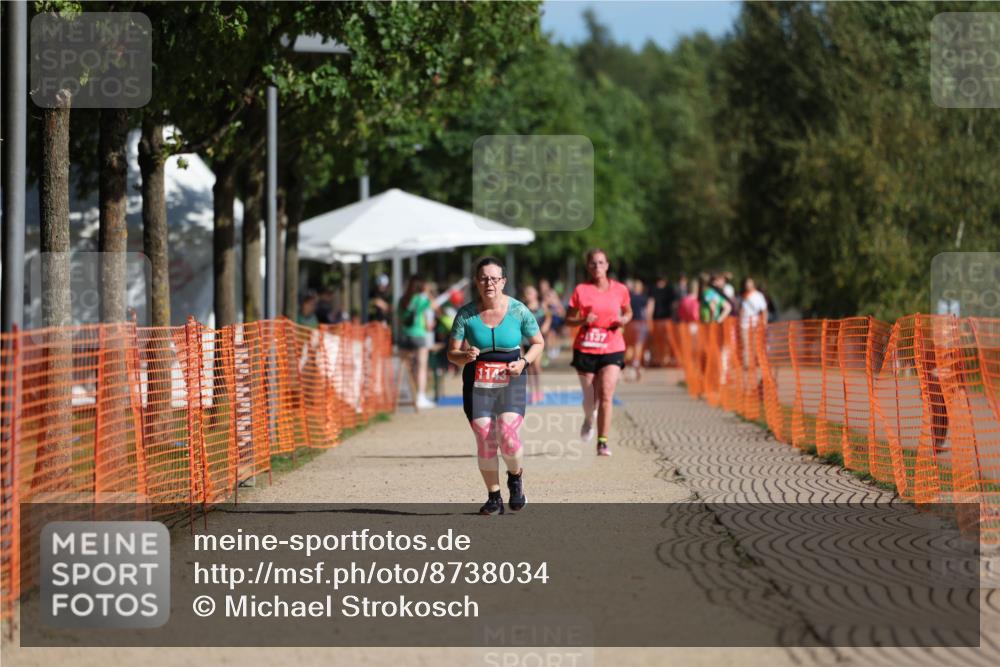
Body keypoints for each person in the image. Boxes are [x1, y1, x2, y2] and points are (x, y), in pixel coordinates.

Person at [447, 257, 545, 515]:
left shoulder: (518, 310)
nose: (489, 283)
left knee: (508, 437)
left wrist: (523, 362)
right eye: (483, 278)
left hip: (510, 378)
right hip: (477, 382)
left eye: (494, 278)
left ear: (503, 281)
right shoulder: (465, 314)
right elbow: (451, 353)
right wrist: (464, 356)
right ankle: (493, 497)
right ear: (477, 282)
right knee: (485, 438)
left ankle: (515, 476)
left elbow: (538, 342)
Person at [564, 249, 632, 457]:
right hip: (586, 346)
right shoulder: (581, 290)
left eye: (601, 263)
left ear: (607, 265)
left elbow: (628, 311)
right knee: (589, 396)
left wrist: (624, 320)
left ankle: (602, 442)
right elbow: (568, 319)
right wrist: (583, 321)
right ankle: (588, 419)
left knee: (606, 393)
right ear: (588, 267)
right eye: (593, 263)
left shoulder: (620, 289)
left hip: (612, 345)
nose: (597, 267)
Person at [398, 277, 439, 410]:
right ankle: (420, 396)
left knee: (403, 366)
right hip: (419, 335)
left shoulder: (402, 300)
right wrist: (428, 293)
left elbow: (399, 319)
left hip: (404, 335)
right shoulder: (420, 299)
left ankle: (402, 394)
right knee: (421, 366)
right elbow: (434, 306)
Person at [521, 284, 552, 404]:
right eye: (527, 293)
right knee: (529, 368)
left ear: (535, 295)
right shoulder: (523, 308)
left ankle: (539, 391)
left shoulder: (541, 306)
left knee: (537, 367)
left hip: (538, 341)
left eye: (531, 293)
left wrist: (546, 325)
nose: (528, 295)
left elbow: (549, 316)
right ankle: (532, 392)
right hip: (525, 341)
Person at [626, 278, 655, 381]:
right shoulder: (645, 299)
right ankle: (636, 365)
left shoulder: (629, 298)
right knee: (639, 345)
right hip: (641, 324)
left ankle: (627, 366)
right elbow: (648, 313)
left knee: (629, 346)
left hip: (630, 324)